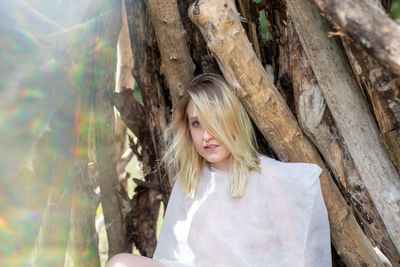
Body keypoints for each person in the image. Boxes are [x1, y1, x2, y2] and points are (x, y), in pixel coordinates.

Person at [107, 73, 331, 267]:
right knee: (120, 263)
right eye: (197, 123)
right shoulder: (191, 183)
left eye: (215, 120)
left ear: (234, 119)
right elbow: (174, 258)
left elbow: (296, 258)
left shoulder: (272, 178)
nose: (206, 135)